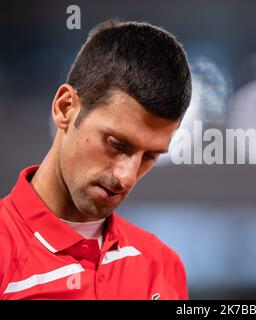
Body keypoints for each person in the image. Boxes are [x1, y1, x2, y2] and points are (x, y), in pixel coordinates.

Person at [0, 19, 192, 300]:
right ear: (65, 108)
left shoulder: (163, 266)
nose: (126, 177)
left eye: (149, 156)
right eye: (116, 144)